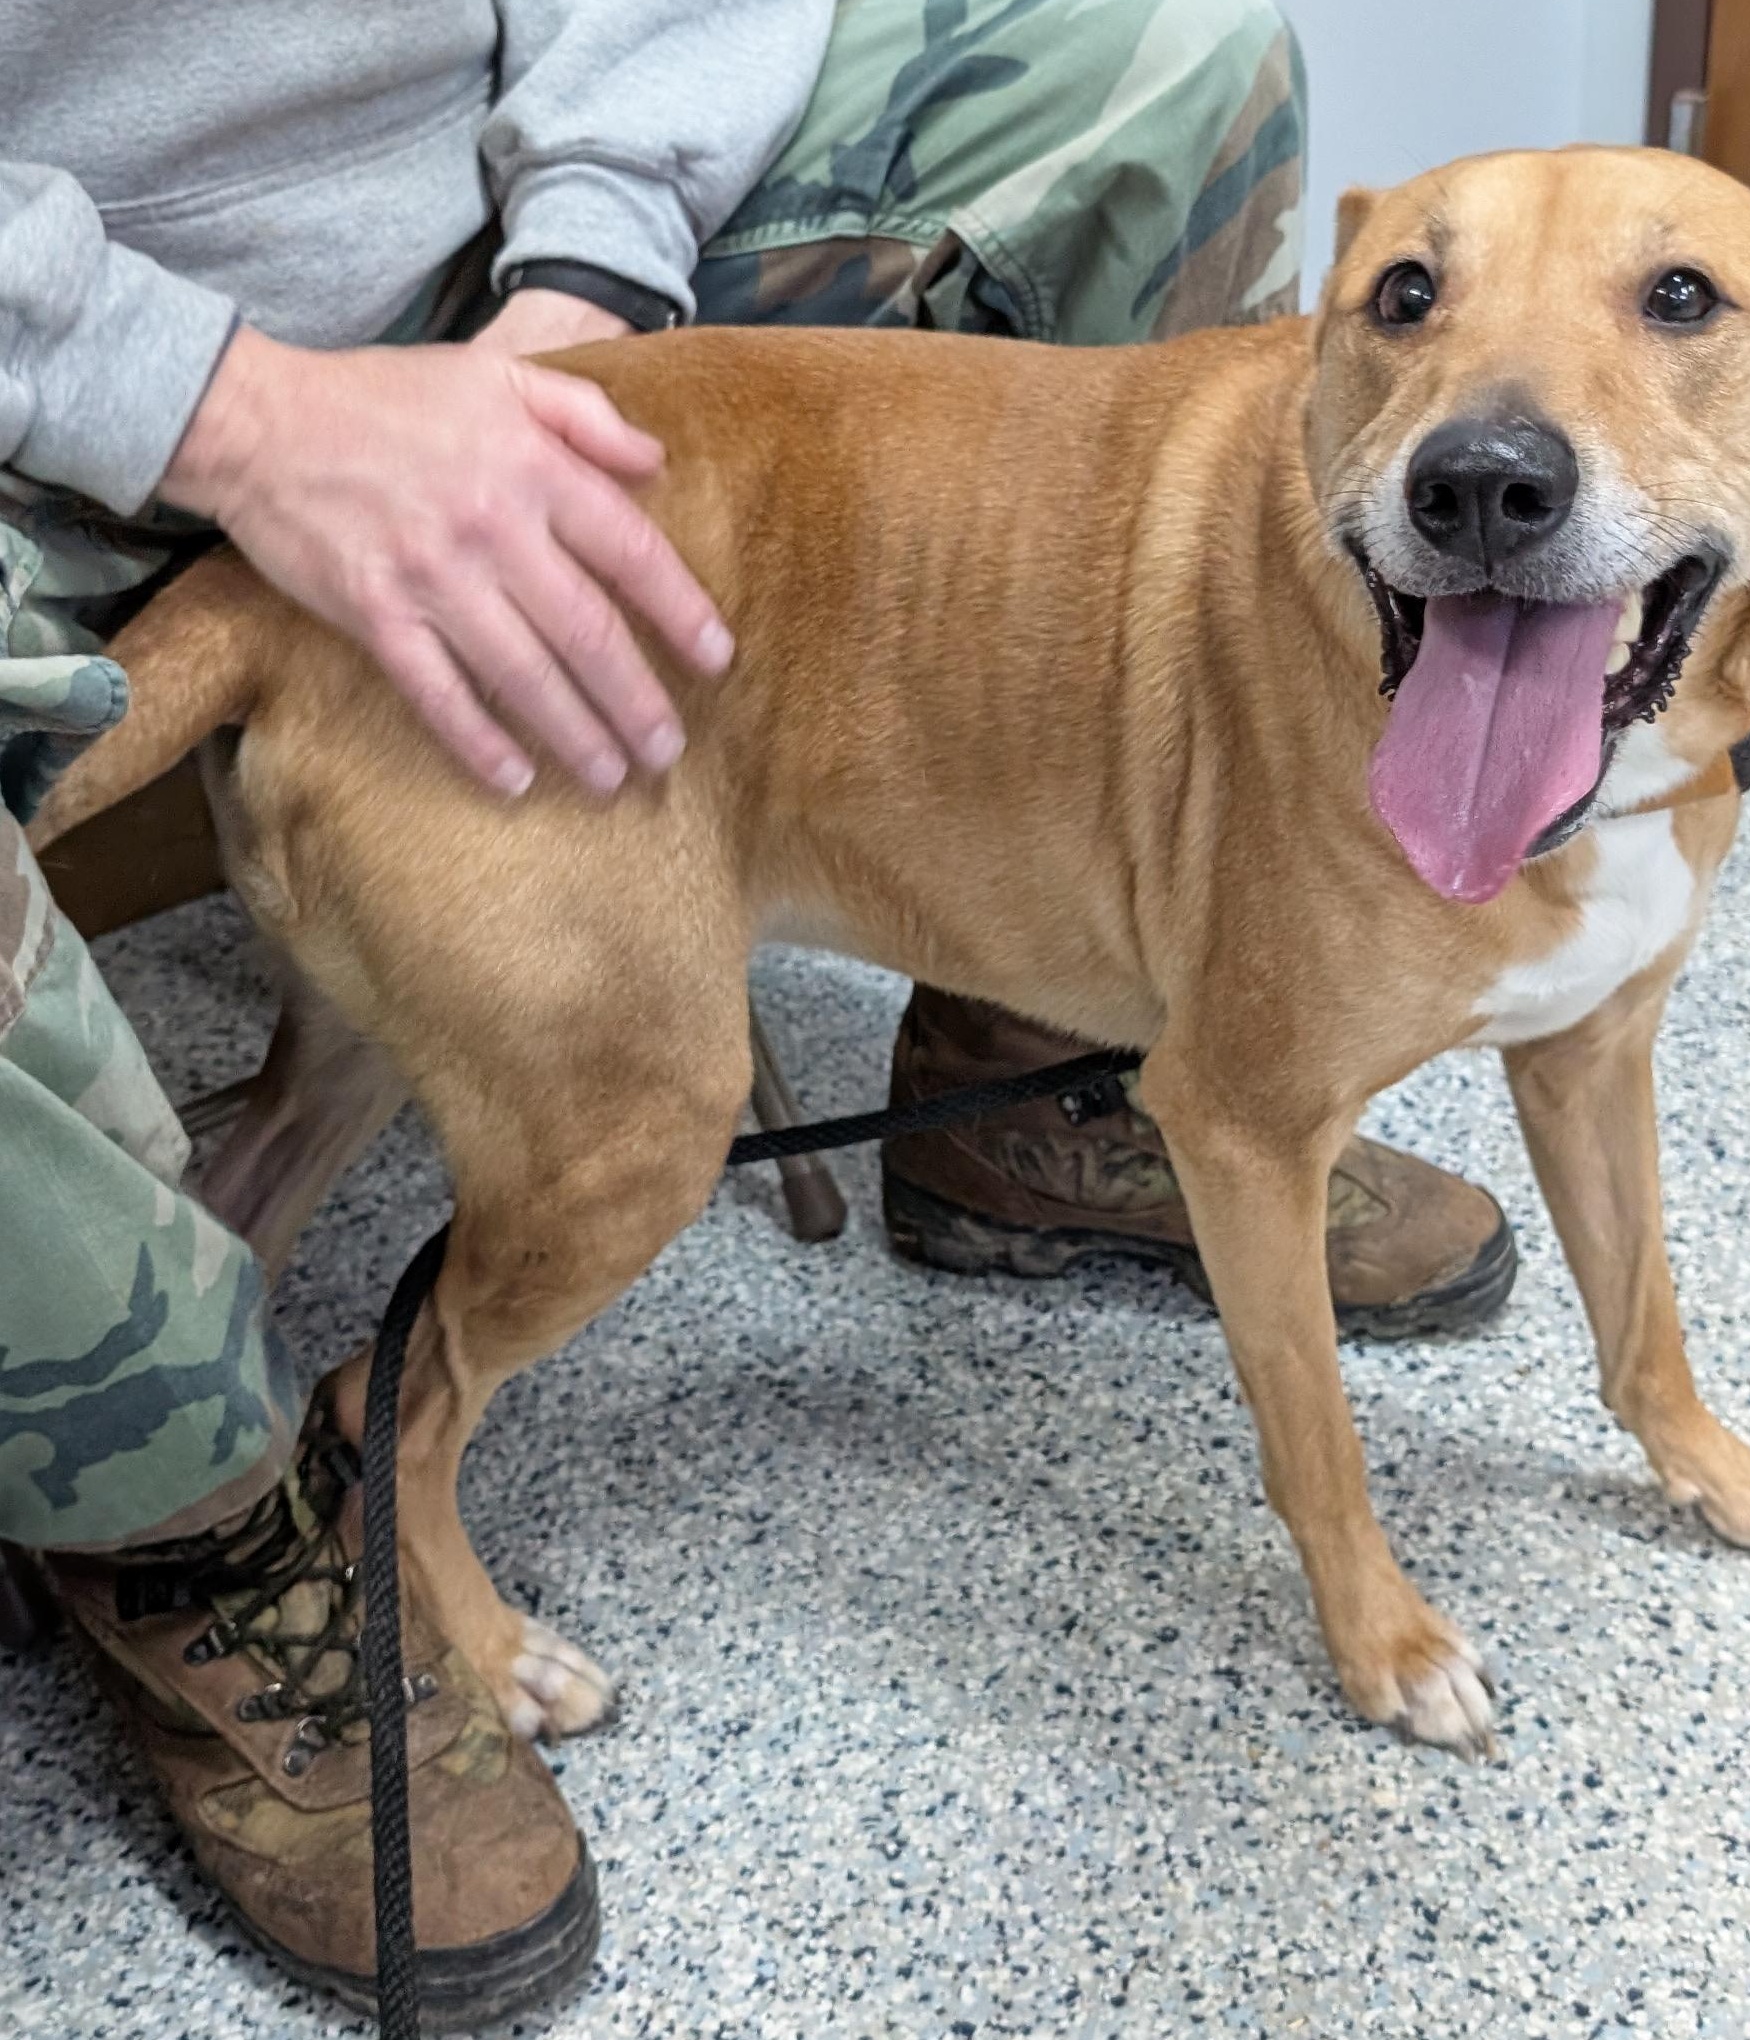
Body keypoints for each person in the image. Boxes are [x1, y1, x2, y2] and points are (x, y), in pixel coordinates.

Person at [0, 0, 1512, 2023]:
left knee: (1178, 58)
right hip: (42, 361)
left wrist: (584, 288)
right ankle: (197, 1514)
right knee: (636, 1118)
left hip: (476, 261)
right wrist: (231, 411)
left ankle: (1024, 1073)